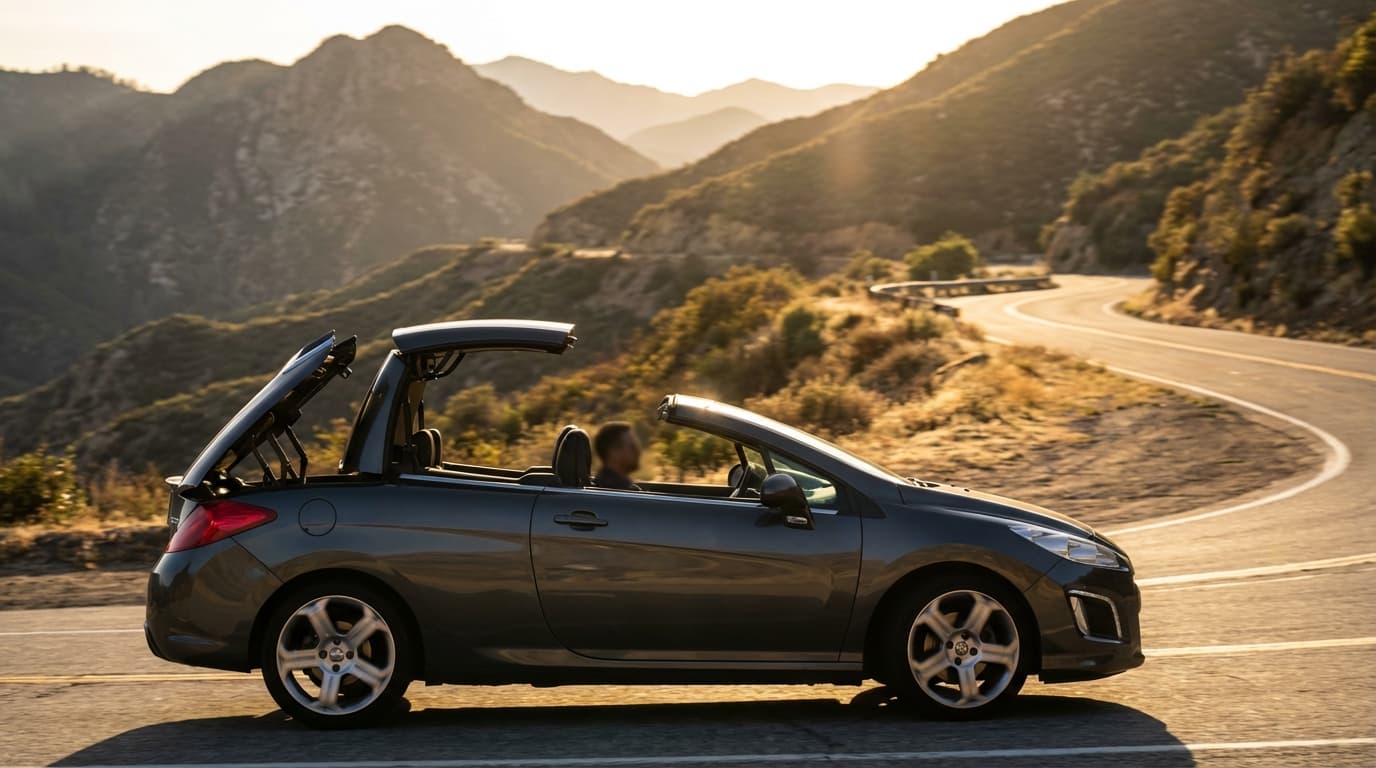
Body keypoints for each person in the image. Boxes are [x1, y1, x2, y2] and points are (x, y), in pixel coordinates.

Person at [592, 421, 642, 491]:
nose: (638, 451)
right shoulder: (616, 491)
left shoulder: (602, 484)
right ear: (613, 453)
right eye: (632, 447)